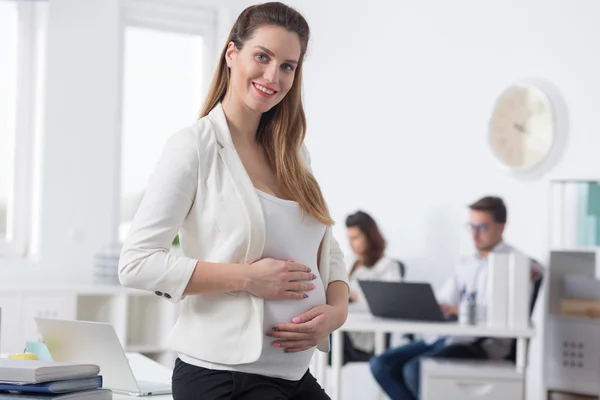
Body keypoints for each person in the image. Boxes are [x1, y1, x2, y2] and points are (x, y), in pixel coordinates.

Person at [118, 3, 349, 399]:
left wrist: (337, 311)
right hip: (224, 377)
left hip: (294, 376)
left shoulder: (293, 155)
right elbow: (137, 263)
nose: (272, 76)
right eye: (262, 56)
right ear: (231, 55)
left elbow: (326, 249)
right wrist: (248, 278)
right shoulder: (193, 148)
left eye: (288, 66)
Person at [369, 196, 543, 400]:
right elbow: (444, 299)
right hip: (446, 338)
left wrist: (460, 310)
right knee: (381, 365)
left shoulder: (517, 264)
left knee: (414, 370)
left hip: (479, 345)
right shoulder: (467, 263)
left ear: (501, 227)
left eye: (483, 228)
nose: (475, 235)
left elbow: (504, 311)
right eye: (471, 227)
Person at [340, 211, 403, 362]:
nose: (351, 244)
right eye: (349, 239)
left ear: (369, 236)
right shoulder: (349, 263)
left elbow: (390, 305)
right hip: (343, 327)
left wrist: (352, 294)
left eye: (355, 238)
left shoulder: (388, 266)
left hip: (366, 336)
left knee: (323, 330)